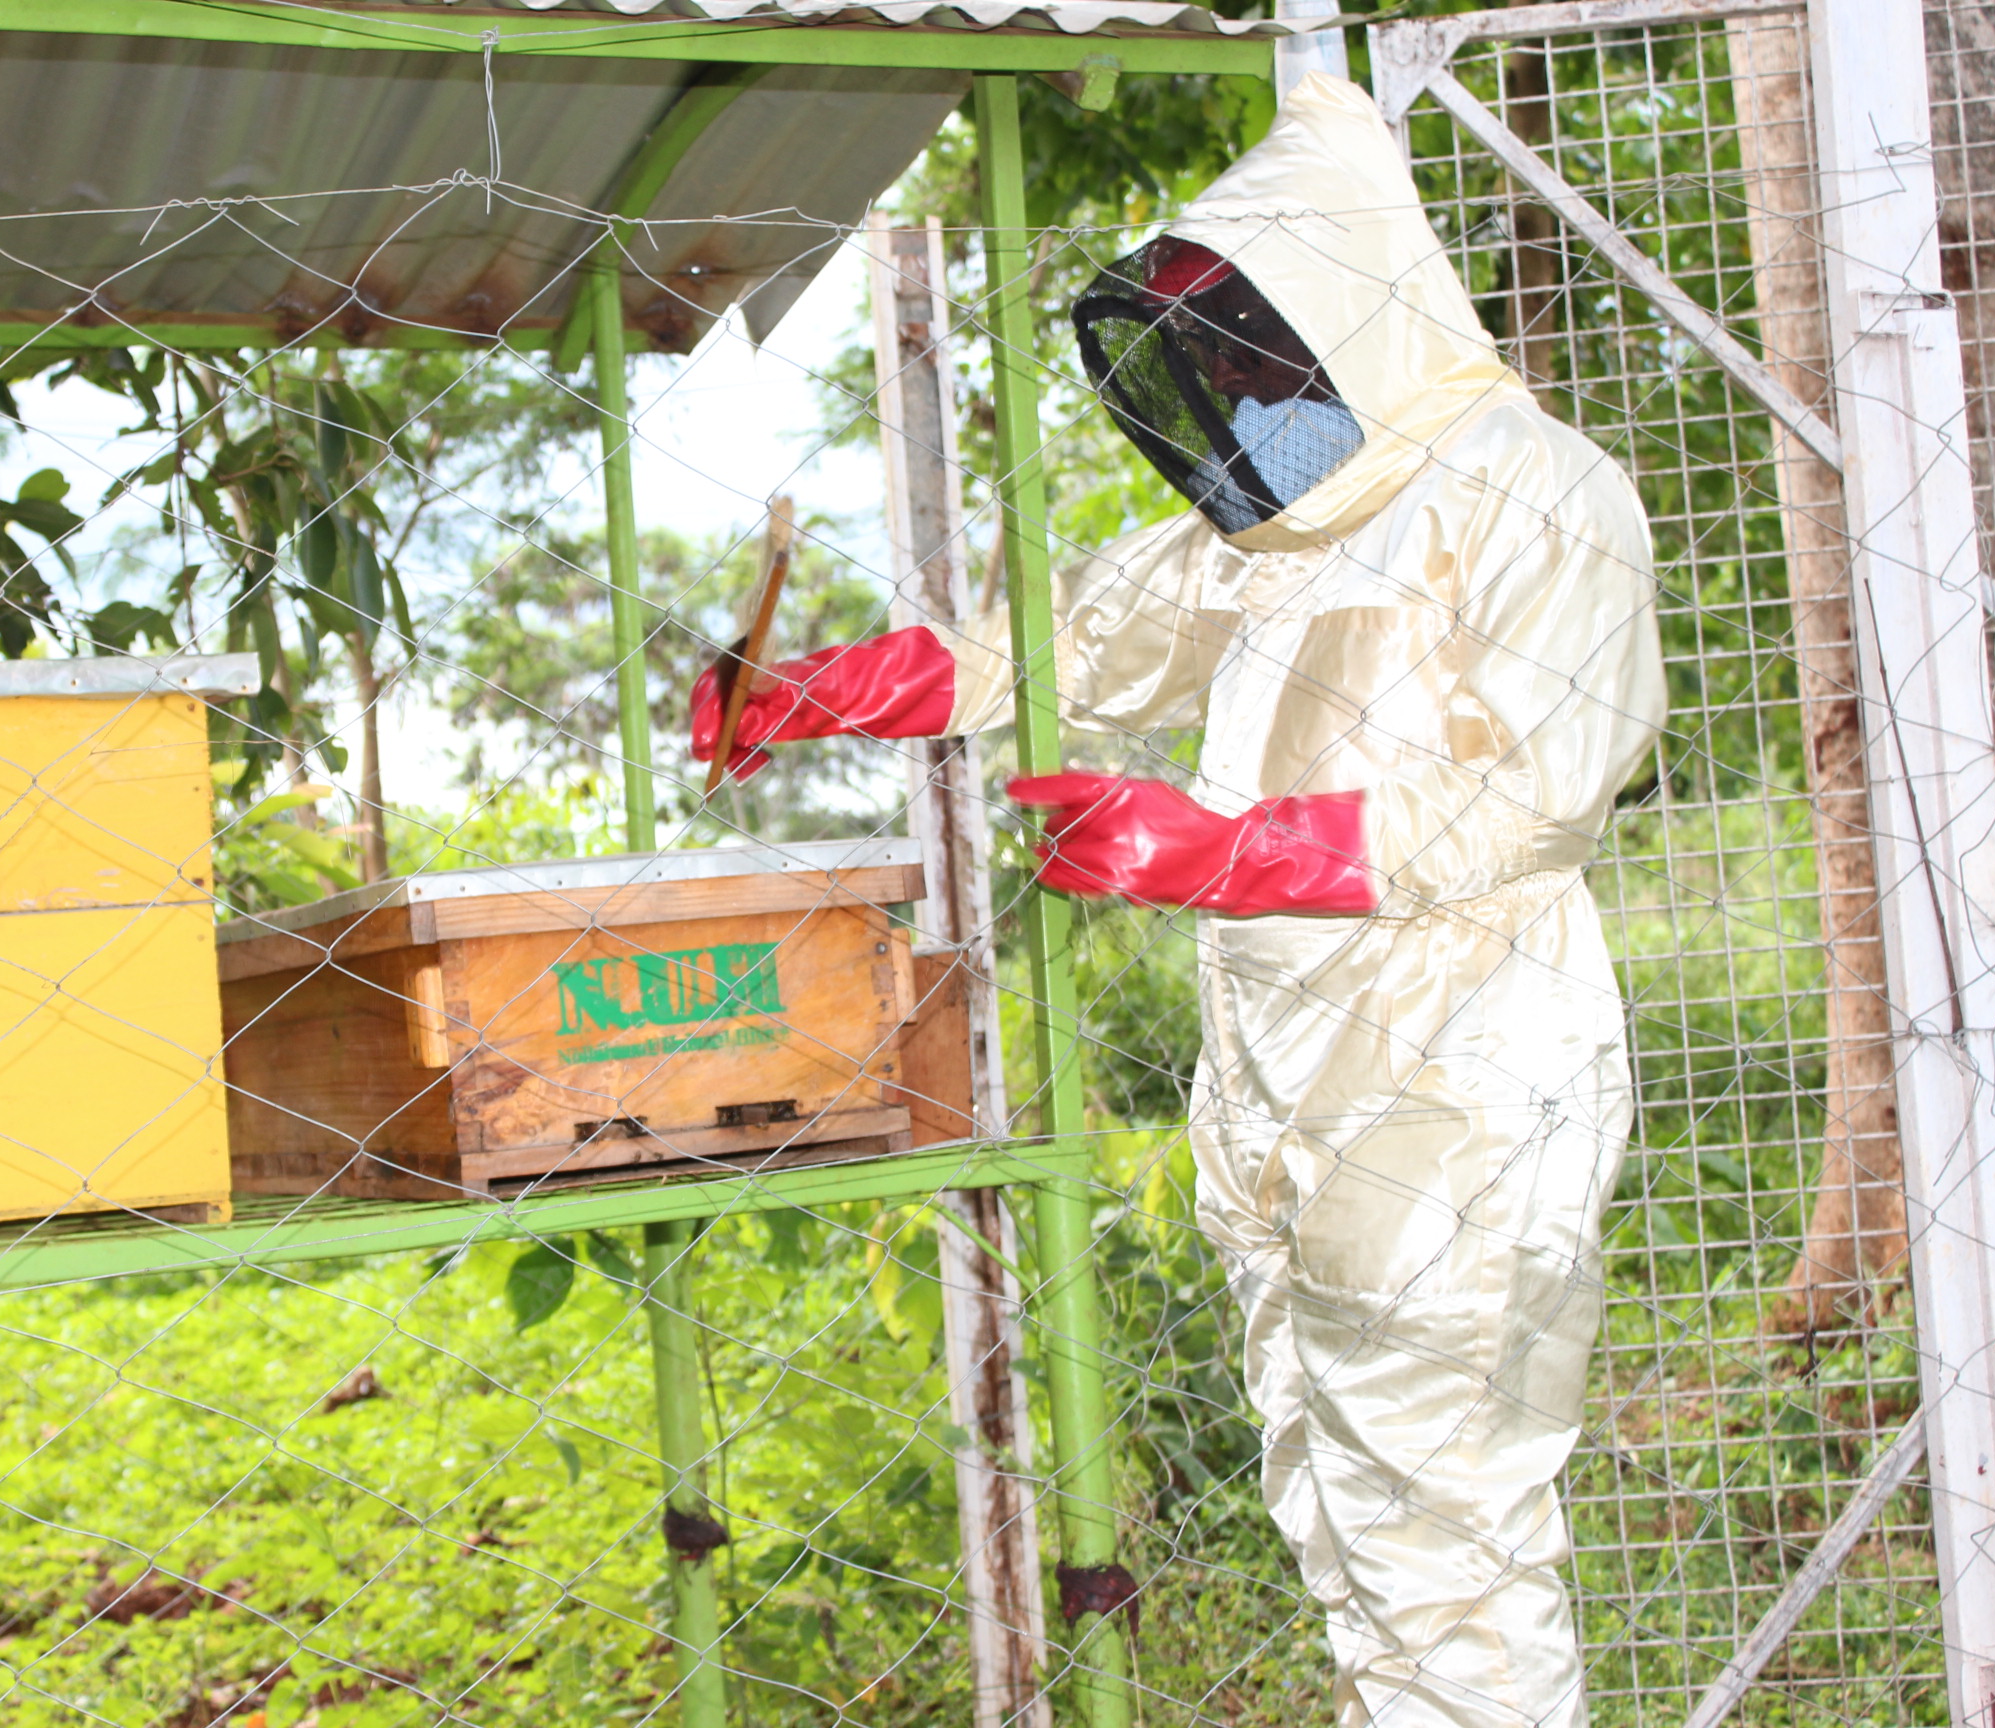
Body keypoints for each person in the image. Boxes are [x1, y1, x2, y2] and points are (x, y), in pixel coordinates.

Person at [689, 74, 1666, 1728]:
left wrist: (1226, 846)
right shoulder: (1293, 524)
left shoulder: (1539, 490)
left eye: (1258, 354)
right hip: (1303, 1088)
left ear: (1352, 317)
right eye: (1217, 364)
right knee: (1343, 1509)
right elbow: (1070, 638)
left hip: (1468, 1086)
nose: (1235, 392)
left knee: (1451, 1548)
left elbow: (1533, 791)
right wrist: (825, 691)